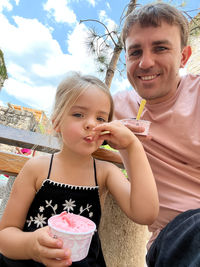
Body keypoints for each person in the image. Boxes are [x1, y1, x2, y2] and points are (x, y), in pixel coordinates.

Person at [0, 71, 159, 267]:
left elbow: (146, 213)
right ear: (57, 121)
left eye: (101, 119)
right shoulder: (37, 168)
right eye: (78, 114)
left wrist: (133, 147)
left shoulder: (105, 173)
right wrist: (32, 246)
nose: (91, 123)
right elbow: (5, 236)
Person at [113, 2, 200, 267]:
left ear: (184, 57)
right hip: (176, 234)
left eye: (161, 48)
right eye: (135, 51)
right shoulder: (113, 107)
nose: (146, 62)